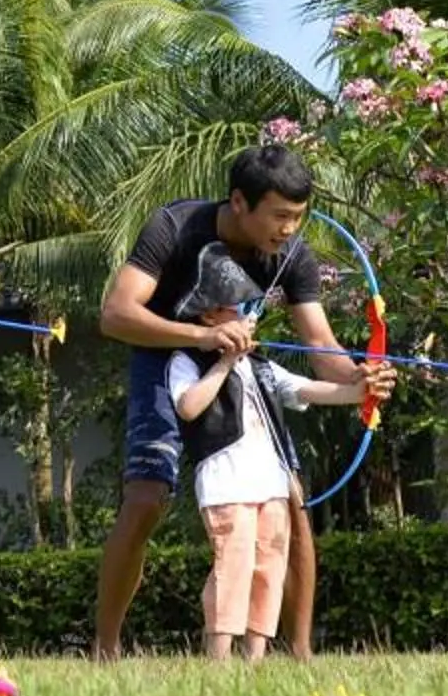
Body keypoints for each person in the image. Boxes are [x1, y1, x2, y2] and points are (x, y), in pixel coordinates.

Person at [90, 143, 376, 661]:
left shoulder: (292, 255)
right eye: (280, 216)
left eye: (299, 217)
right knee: (147, 497)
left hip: (239, 361)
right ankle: (105, 648)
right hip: (165, 353)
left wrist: (362, 374)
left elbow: (320, 347)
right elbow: (115, 314)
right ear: (240, 202)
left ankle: (301, 651)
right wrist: (197, 339)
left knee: (288, 498)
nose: (289, 229)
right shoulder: (175, 226)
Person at [165, 255, 392, 660]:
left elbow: (309, 390)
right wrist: (225, 361)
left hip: (269, 483)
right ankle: (218, 659)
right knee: (232, 565)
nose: (245, 315)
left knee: (268, 567)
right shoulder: (186, 361)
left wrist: (363, 388)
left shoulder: (262, 365)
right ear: (209, 316)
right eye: (236, 308)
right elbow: (189, 407)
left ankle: (255, 657)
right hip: (226, 482)